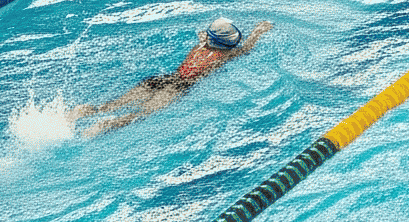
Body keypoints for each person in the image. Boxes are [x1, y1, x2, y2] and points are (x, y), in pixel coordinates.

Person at [75, 16, 271, 138]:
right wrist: (259, 31)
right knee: (141, 115)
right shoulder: (226, 55)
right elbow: (247, 48)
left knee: (112, 105)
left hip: (162, 79)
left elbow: (202, 33)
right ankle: (105, 125)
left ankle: (85, 111)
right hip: (178, 87)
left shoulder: (202, 44)